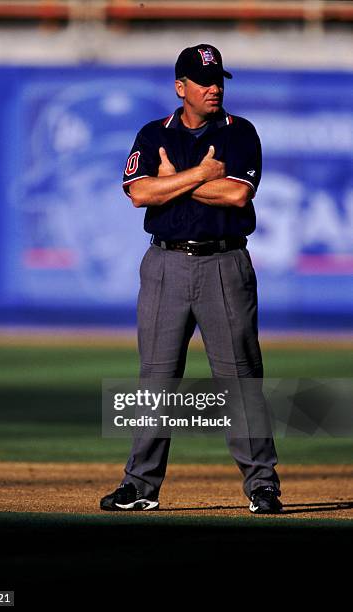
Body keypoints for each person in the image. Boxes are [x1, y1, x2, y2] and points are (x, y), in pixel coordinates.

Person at [100, 44, 282, 514]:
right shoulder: (152, 132)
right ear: (181, 87)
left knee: (240, 377)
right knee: (156, 378)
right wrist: (201, 175)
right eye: (203, 80)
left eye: (218, 78)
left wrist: (176, 181)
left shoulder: (240, 132)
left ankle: (263, 485)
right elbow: (140, 193)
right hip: (165, 265)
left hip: (225, 264)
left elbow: (238, 195)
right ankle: (140, 485)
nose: (214, 87)